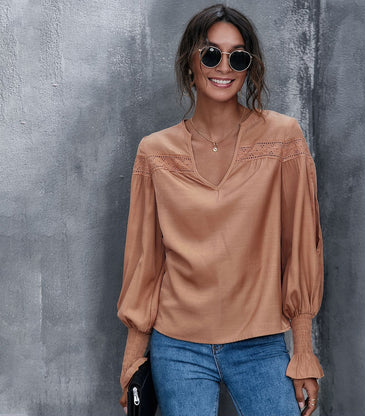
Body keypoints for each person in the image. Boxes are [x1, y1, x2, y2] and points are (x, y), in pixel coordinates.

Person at [117, 4, 324, 416]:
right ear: (190, 61)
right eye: (211, 54)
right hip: (176, 347)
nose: (224, 66)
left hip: (260, 342)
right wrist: (133, 359)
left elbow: (301, 244)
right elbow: (145, 261)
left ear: (249, 67)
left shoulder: (282, 138)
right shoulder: (155, 152)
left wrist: (303, 350)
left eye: (238, 57)